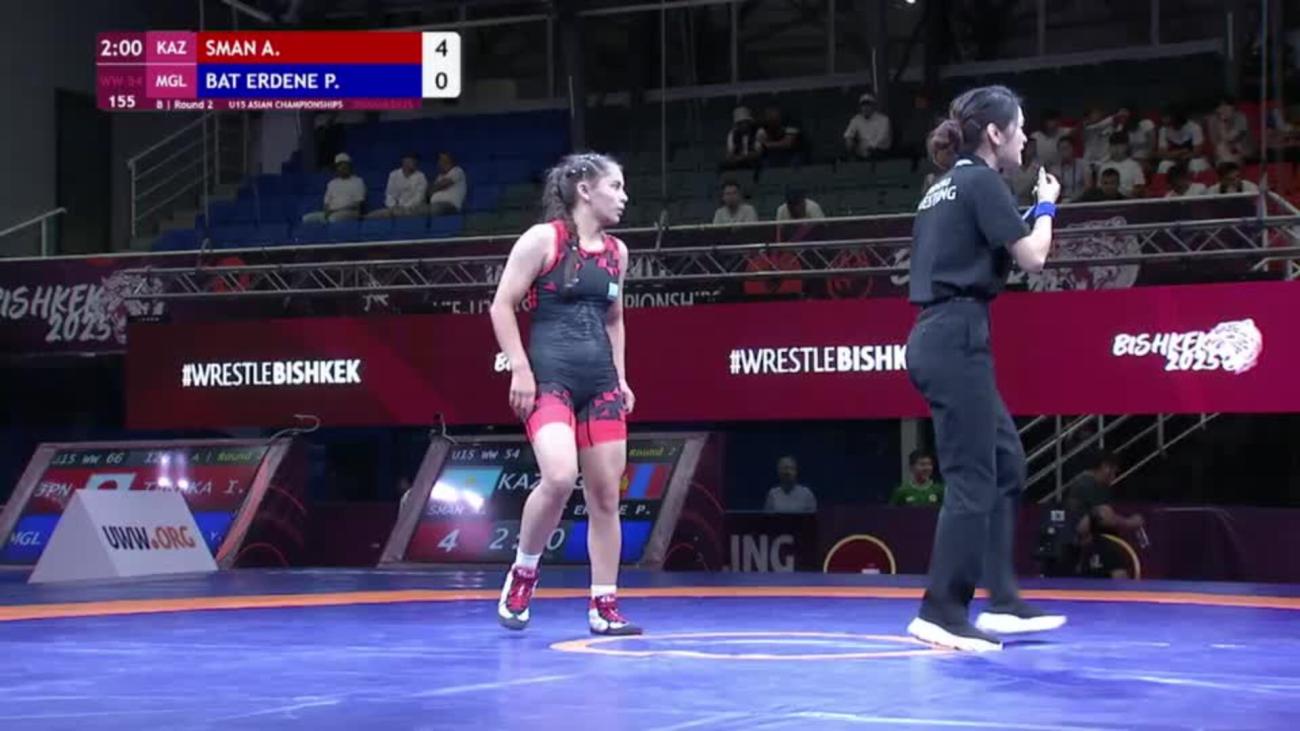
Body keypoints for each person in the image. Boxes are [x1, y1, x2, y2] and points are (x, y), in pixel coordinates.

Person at [904, 84, 1068, 652]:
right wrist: (1046, 205)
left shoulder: (942, 187)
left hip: (940, 333)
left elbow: (980, 242)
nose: (1026, 137)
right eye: (1020, 127)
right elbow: (1033, 257)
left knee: (1006, 463)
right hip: (955, 336)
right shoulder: (981, 181)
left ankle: (1001, 600)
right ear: (995, 134)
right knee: (972, 478)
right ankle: (941, 611)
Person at [489, 152, 640, 636]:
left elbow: (614, 319)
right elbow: (502, 305)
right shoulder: (543, 240)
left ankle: (604, 605)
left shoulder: (617, 253)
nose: (624, 197)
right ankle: (524, 572)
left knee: (606, 496)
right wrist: (519, 369)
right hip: (549, 380)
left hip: (600, 384)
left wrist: (621, 378)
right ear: (585, 191)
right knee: (558, 477)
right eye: (616, 186)